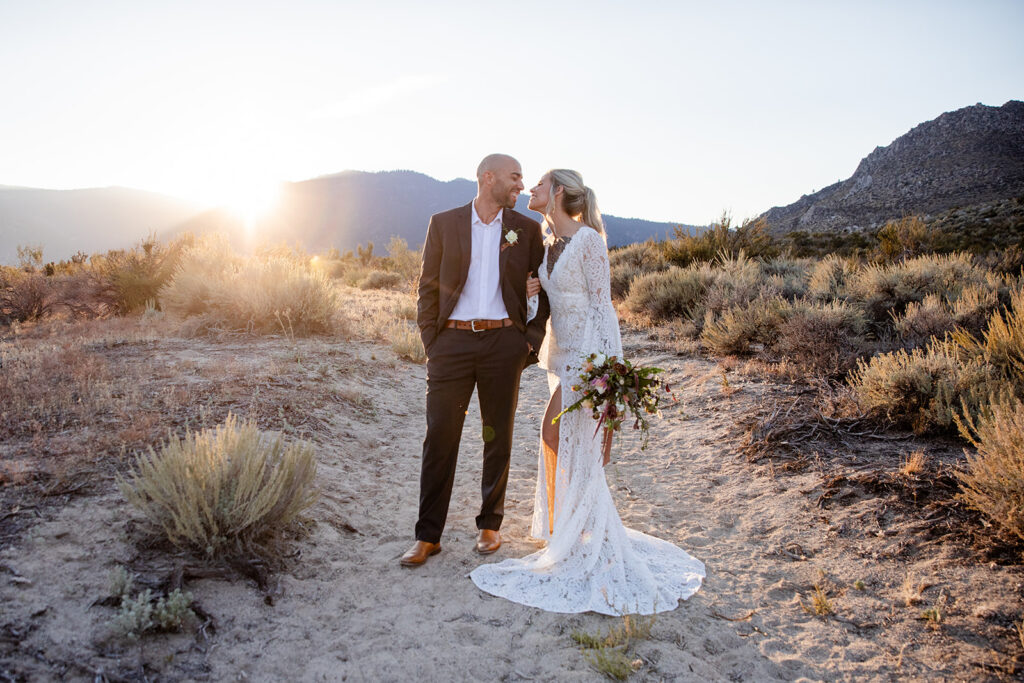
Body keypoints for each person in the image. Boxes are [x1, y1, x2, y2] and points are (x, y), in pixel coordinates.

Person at [469, 169, 705, 614]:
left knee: (555, 435)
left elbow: (603, 307)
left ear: (557, 192)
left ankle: (573, 532)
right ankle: (568, 528)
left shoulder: (590, 241)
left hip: (588, 359)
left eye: (539, 185)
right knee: (562, 440)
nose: (532, 191)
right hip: (559, 358)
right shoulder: (547, 241)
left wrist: (609, 376)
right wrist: (530, 292)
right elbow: (547, 304)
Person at [401, 154, 550, 567]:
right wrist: (433, 342)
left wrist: (528, 345)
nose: (521, 184)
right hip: (451, 344)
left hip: (504, 344)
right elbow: (427, 288)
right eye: (515, 177)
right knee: (440, 437)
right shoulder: (444, 223)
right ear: (489, 178)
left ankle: (490, 525)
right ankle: (427, 536)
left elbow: (544, 291)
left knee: (496, 434)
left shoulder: (527, 230)